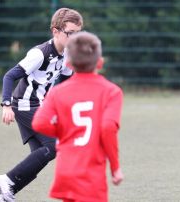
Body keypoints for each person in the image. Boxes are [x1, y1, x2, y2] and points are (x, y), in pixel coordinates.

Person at [0, 8, 84, 202]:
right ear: (55, 31)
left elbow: (67, 82)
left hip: (40, 106)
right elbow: (10, 76)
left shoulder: (67, 54)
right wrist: (6, 105)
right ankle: (6, 179)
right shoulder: (40, 54)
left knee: (43, 153)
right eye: (70, 33)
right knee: (54, 145)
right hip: (25, 104)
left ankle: (5, 196)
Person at [32, 31, 124, 202]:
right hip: (91, 173)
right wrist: (115, 167)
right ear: (100, 62)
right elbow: (107, 128)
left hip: (65, 170)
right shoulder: (112, 92)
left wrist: (64, 131)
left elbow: (39, 123)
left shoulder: (57, 92)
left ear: (68, 64)